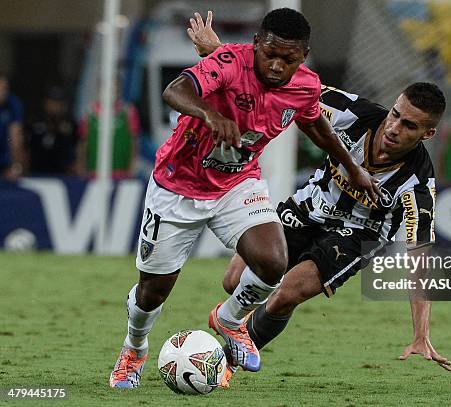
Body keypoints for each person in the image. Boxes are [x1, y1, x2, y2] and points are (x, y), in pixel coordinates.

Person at [109, 8, 379, 389]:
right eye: (270, 54)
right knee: (153, 291)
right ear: (256, 45)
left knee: (272, 262)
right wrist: (208, 114)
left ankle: (230, 320)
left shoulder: (304, 85)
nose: (276, 66)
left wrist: (352, 168)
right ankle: (134, 349)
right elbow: (175, 91)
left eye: (289, 59)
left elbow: (315, 123)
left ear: (302, 57)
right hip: (178, 187)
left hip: (238, 184)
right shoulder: (228, 62)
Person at [187, 13, 451, 388]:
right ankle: (237, 327)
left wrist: (421, 333)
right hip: (310, 206)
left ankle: (226, 364)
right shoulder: (352, 113)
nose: (394, 127)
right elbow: (290, 83)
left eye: (409, 126)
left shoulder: (418, 185)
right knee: (234, 280)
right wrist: (217, 50)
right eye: (396, 115)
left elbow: (420, 257)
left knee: (286, 293)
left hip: (359, 234)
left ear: (428, 134)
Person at [78, 79, 140, 179]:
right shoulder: (89, 112)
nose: (110, 91)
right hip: (94, 173)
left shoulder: (128, 111)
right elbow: (83, 143)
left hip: (121, 173)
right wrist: (81, 168)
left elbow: (134, 143)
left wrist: (131, 169)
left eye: (113, 88)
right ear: (99, 89)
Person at [28, 86, 79, 175]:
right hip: (37, 173)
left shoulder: (70, 125)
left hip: (64, 175)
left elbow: (77, 148)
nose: (55, 107)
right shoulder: (34, 123)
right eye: (52, 102)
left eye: (58, 103)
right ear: (46, 103)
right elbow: (26, 149)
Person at [0, 71, 25, 181]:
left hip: (5, 161)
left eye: (5, 88)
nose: (3, 93)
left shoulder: (13, 104)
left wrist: (16, 165)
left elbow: (16, 137)